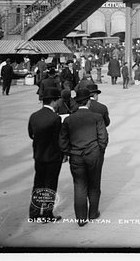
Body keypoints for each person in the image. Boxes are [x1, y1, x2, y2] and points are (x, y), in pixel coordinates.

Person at [59, 87, 108, 227]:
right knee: (94, 183)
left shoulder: (69, 119)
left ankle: (81, 218)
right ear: (88, 102)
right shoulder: (97, 117)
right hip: (94, 154)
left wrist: (70, 152)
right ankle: (93, 213)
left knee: (79, 185)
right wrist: (99, 150)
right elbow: (103, 137)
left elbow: (63, 141)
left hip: (76, 156)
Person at [28, 86, 64, 222]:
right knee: (50, 185)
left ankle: (34, 212)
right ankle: (47, 214)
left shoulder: (34, 116)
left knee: (38, 183)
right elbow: (59, 139)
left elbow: (31, 134)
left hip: (38, 155)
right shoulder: (55, 118)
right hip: (53, 157)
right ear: (54, 101)